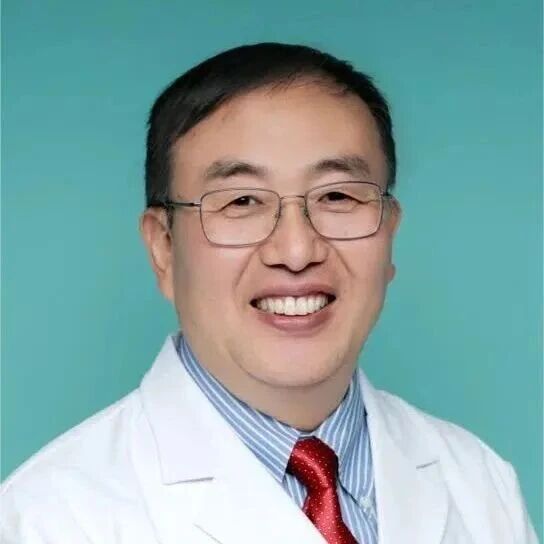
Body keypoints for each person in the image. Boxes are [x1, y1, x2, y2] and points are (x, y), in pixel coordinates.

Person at [1, 42, 538, 544]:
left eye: (337, 195)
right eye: (241, 202)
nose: (297, 250)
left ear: (389, 231)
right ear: (163, 248)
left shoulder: (479, 484)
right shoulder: (48, 518)